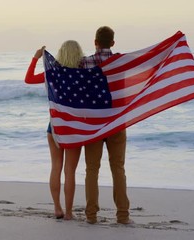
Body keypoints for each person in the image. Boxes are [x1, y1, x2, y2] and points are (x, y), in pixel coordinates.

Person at [24, 41, 84, 220]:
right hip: (74, 128)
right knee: (70, 171)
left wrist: (35, 58)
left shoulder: (52, 74)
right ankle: (69, 212)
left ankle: (57, 208)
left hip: (55, 127)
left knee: (56, 167)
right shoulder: (83, 75)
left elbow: (28, 79)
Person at [80, 26, 131, 224]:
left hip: (94, 122)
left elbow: (66, 72)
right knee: (118, 168)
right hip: (117, 120)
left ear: (95, 42)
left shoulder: (84, 63)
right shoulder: (121, 61)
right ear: (112, 43)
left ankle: (91, 216)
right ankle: (123, 216)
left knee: (92, 169)